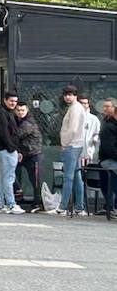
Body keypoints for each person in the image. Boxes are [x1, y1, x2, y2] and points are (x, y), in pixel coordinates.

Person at [57, 86, 88, 216]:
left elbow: (72, 129)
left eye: (70, 95)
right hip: (77, 145)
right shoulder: (76, 108)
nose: (67, 97)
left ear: (75, 96)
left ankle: (63, 206)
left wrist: (65, 143)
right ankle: (79, 207)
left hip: (71, 145)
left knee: (68, 177)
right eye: (66, 95)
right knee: (76, 177)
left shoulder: (75, 109)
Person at [0, 90, 22, 214]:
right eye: (11, 101)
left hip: (3, 149)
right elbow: (4, 132)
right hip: (6, 149)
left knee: (2, 178)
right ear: (5, 100)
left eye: (15, 101)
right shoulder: (3, 113)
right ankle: (10, 204)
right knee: (9, 178)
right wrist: (12, 148)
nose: (13, 103)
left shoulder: (4, 112)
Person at [14, 103, 44, 211]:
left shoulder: (29, 122)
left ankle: (38, 203)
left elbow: (18, 135)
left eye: (22, 110)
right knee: (12, 174)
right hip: (23, 154)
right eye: (18, 110)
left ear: (27, 111)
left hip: (33, 154)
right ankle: (18, 194)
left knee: (35, 180)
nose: (20, 112)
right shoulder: (17, 121)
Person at [99, 99, 117, 218]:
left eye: (108, 106)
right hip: (109, 159)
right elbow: (109, 148)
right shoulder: (109, 127)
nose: (105, 109)